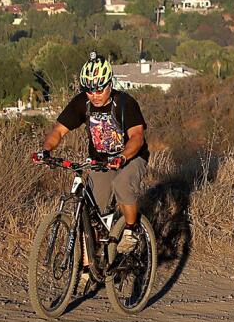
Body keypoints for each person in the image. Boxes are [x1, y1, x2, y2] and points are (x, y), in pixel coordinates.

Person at [35, 54, 149, 252]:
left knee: (121, 185)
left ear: (109, 84)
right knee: (94, 211)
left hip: (131, 157)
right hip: (100, 161)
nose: (94, 95)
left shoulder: (124, 103)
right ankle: (94, 264)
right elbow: (58, 131)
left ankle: (131, 231)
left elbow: (137, 136)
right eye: (89, 91)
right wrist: (45, 150)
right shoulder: (82, 103)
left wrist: (122, 157)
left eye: (99, 90)